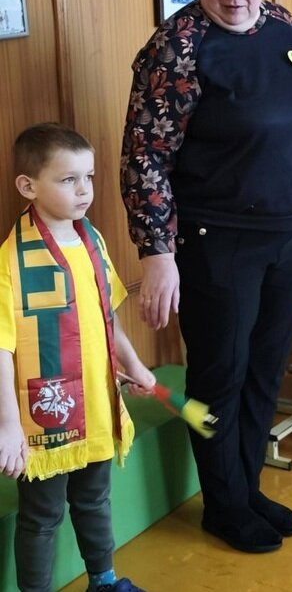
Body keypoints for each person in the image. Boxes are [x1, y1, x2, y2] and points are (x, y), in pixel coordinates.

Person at [120, 0, 292, 553]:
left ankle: (246, 487)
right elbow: (145, 157)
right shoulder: (177, 47)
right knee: (221, 375)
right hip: (218, 239)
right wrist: (157, 253)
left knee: (266, 369)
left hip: (289, 232)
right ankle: (224, 505)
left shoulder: (281, 24)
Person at [0, 123, 156, 592]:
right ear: (28, 186)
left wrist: (134, 364)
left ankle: (103, 581)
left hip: (97, 404)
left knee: (94, 500)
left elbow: (108, 315)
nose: (84, 189)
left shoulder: (91, 238)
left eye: (88, 176)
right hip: (45, 414)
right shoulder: (11, 260)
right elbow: (2, 347)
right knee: (42, 515)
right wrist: (8, 425)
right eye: (69, 179)